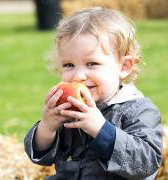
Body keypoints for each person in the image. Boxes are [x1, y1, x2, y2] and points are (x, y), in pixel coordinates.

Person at [24, 7, 162, 179]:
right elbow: (41, 157)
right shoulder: (68, 107)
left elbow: (146, 164)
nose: (78, 75)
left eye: (91, 63)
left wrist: (100, 129)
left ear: (123, 67)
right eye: (68, 65)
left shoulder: (139, 110)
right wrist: (47, 127)